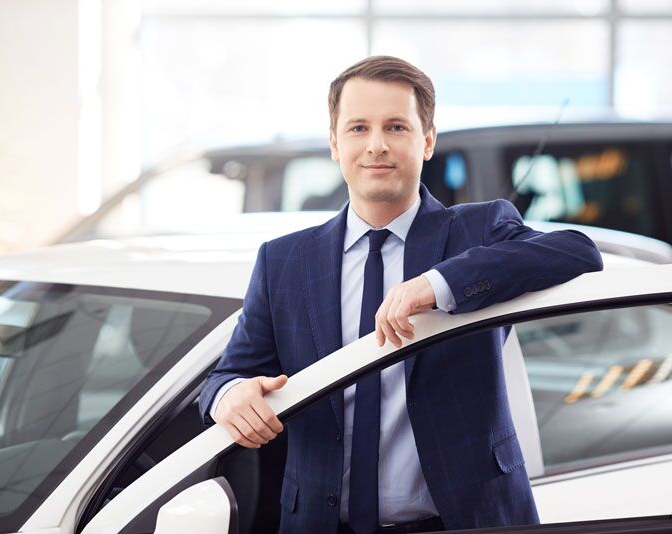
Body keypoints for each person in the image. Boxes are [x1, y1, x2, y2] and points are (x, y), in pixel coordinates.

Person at [198, 56, 603, 533]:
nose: (376, 146)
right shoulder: (283, 260)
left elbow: (577, 250)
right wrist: (228, 396)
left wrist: (438, 284)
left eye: (395, 127)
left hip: (463, 519)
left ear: (427, 140)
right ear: (334, 143)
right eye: (357, 128)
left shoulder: (477, 230)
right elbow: (230, 372)